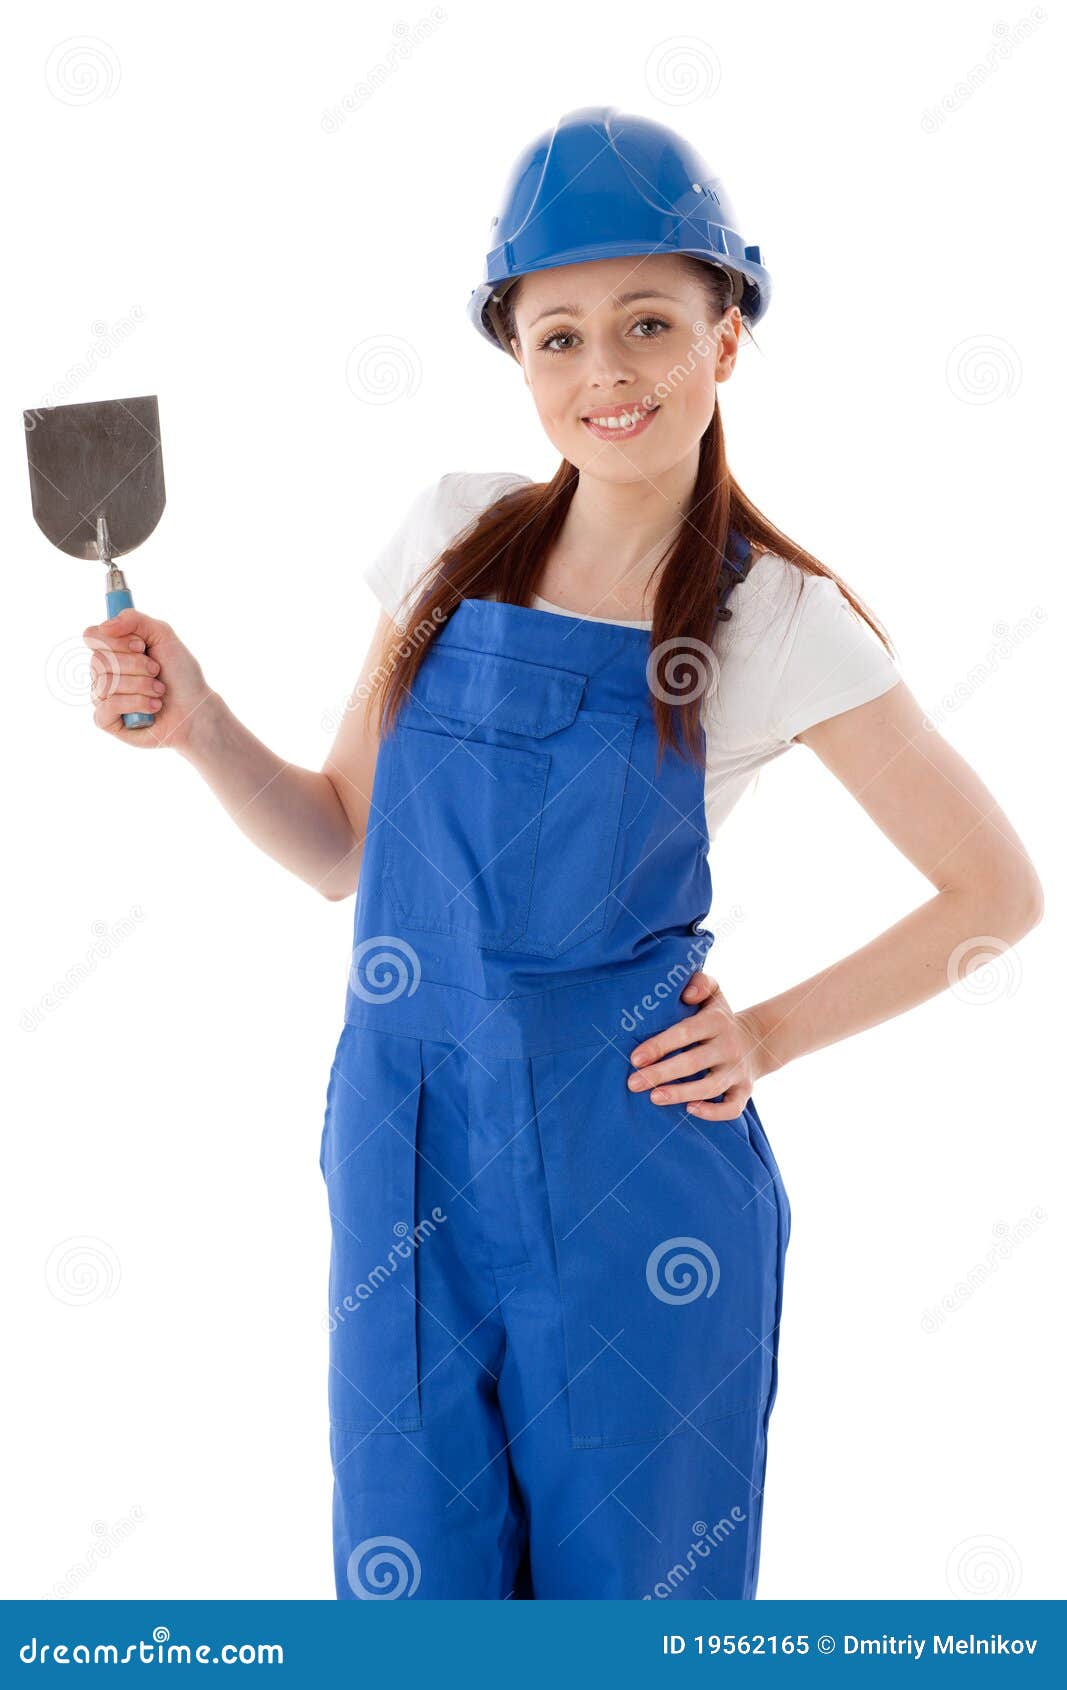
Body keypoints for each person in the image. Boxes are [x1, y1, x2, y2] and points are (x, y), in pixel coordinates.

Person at [82, 107, 1043, 1601]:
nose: (607, 373)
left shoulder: (778, 620)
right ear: (516, 357)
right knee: (418, 1606)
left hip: (631, 1177)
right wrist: (201, 722)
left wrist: (769, 1036)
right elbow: (340, 847)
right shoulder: (452, 541)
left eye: (651, 323)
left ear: (726, 339)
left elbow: (997, 892)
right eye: (560, 335)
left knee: (629, 1609)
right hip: (402, 1148)